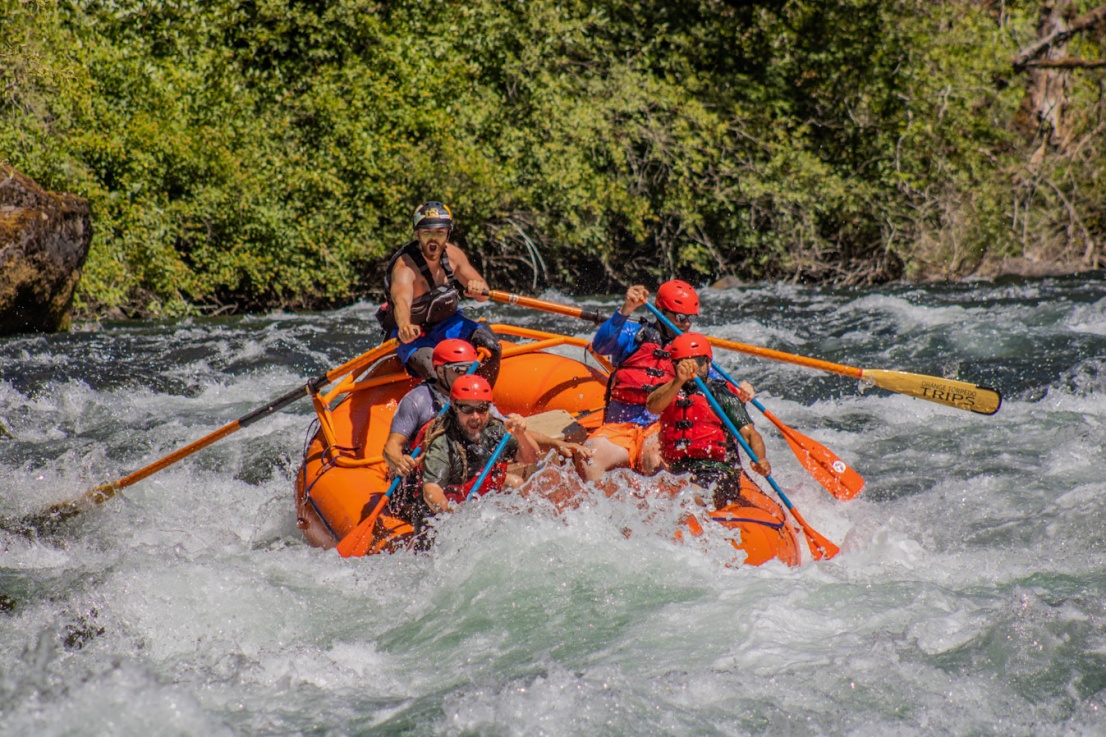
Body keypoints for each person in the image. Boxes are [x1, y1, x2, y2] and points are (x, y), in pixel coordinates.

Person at [575, 280, 701, 482]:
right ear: (661, 311)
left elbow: (712, 382)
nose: (686, 324)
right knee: (590, 459)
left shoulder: (691, 349)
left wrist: (739, 391)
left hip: (658, 427)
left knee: (656, 462)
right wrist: (626, 310)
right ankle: (602, 509)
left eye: (691, 318)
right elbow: (600, 346)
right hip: (619, 427)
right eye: (681, 317)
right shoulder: (633, 334)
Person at [375, 201, 501, 385]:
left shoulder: (454, 256)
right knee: (434, 368)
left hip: (448, 324)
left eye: (440, 233)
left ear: (448, 233)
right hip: (414, 334)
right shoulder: (405, 268)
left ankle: (481, 399)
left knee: (491, 346)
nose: (433, 240)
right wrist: (404, 326)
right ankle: (448, 408)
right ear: (417, 234)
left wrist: (476, 287)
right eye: (427, 233)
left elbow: (483, 295)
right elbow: (401, 300)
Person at [645, 332, 770, 510]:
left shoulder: (723, 395)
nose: (692, 368)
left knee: (687, 498)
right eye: (684, 363)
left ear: (708, 362)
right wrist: (678, 381)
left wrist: (760, 459)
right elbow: (652, 406)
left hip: (718, 471)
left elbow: (749, 434)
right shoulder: (669, 390)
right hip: (678, 470)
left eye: (698, 362)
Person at [420, 375, 541, 514]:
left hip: (476, 492)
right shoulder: (443, 442)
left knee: (516, 483)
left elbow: (531, 457)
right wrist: (451, 512)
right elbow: (431, 488)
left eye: (482, 408)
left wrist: (521, 434)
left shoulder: (494, 429)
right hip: (447, 503)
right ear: (454, 407)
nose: (475, 417)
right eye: (467, 409)